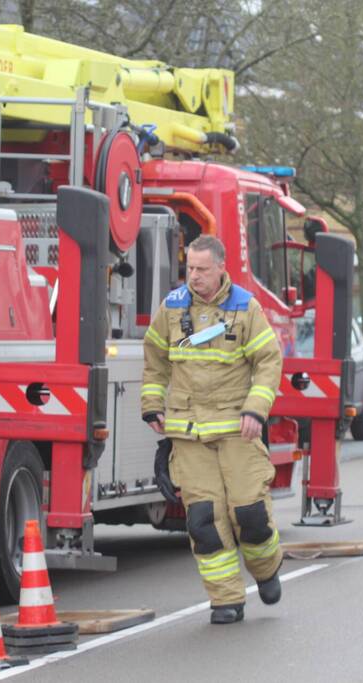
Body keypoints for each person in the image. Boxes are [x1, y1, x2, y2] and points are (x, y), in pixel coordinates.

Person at [141, 235, 284, 625]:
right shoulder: (172, 308)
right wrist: (152, 405)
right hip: (189, 434)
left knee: (250, 514)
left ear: (222, 268)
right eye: (190, 268)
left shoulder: (244, 307)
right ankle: (226, 600)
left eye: (203, 269)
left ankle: (267, 568)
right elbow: (155, 360)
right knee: (203, 521)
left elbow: (268, 362)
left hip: (238, 431)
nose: (195, 277)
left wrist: (256, 410)